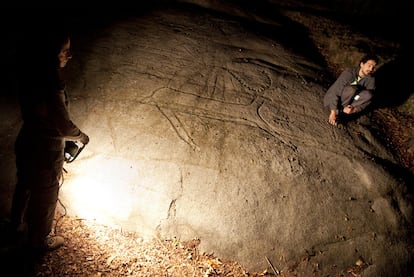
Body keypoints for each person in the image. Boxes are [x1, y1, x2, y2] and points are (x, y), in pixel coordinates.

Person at [9, 19, 89, 255]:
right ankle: (40, 239)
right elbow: (61, 123)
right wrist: (81, 136)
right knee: (46, 192)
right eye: (64, 51)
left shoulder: (29, 74)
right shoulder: (51, 83)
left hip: (27, 139)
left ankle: (16, 229)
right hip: (46, 148)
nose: (69, 55)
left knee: (24, 186)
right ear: (49, 52)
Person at [323, 53, 379, 126]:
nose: (371, 69)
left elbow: (368, 100)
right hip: (332, 102)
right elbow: (335, 91)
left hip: (350, 102)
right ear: (362, 64)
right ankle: (337, 113)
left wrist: (354, 110)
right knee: (352, 89)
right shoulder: (349, 73)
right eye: (369, 65)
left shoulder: (371, 79)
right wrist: (333, 112)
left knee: (369, 94)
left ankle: (344, 113)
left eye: (374, 67)